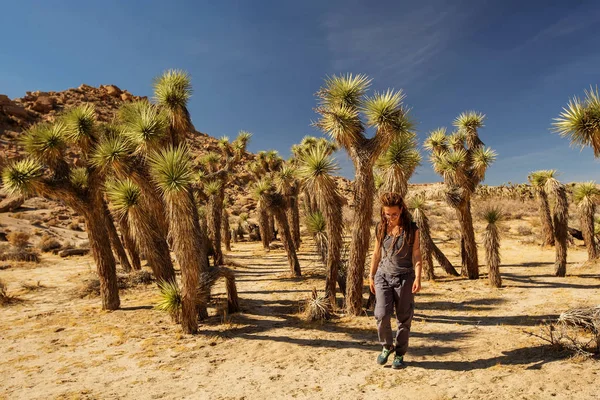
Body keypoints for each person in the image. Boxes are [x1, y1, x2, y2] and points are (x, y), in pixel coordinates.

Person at [369, 192, 422, 369]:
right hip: (383, 276)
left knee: (403, 317)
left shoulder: (412, 229)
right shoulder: (381, 228)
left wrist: (418, 276)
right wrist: (371, 275)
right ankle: (386, 346)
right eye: (387, 214)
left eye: (394, 214)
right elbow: (376, 253)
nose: (390, 217)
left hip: (405, 277)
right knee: (381, 314)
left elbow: (416, 254)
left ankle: (399, 353)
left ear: (402, 210)